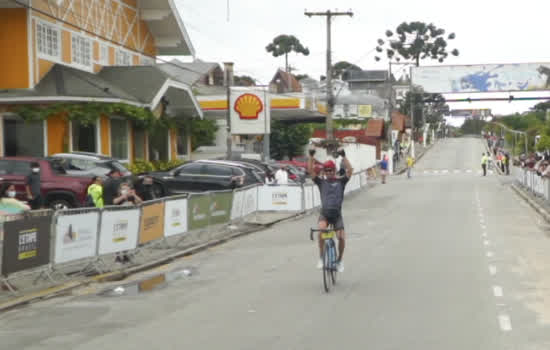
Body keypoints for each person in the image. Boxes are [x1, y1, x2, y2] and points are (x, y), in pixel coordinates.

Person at [308, 149, 353, 273]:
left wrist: (344, 156)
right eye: (327, 170)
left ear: (334, 170)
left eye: (331, 170)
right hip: (325, 214)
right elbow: (310, 171)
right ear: (324, 172)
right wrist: (311, 156)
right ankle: (321, 257)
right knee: (321, 231)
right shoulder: (321, 182)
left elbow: (350, 170)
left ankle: (339, 260)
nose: (329, 172)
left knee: (341, 237)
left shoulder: (341, 181)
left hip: (337, 215)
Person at [114, 182, 143, 264]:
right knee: (119, 239)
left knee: (127, 239)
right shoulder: (118, 196)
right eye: (123, 189)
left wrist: (134, 195)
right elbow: (115, 202)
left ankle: (126, 255)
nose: (125, 190)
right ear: (120, 190)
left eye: (126, 189)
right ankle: (118, 256)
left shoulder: (131, 198)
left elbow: (140, 202)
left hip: (129, 221)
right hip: (119, 221)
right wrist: (123, 196)